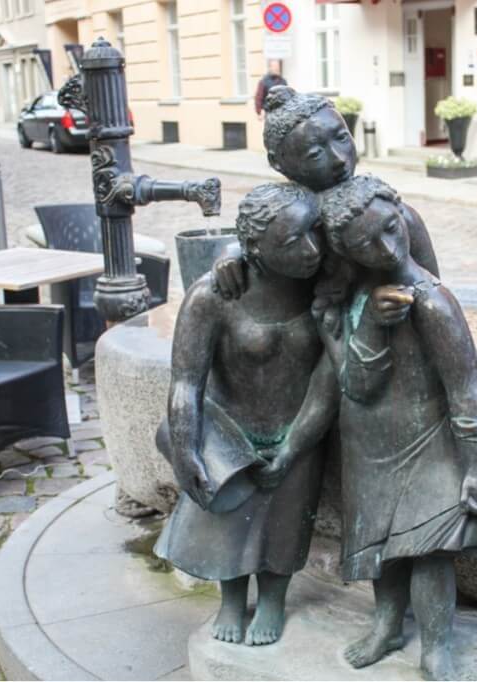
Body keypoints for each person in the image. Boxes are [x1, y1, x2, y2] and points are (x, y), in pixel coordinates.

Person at [277, 175, 477, 679]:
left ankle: (437, 645)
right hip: (369, 445)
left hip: (428, 444)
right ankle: (386, 625)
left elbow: (467, 390)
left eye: (392, 229)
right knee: (381, 549)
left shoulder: (434, 302)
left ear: (402, 215)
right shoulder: (355, 301)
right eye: (367, 244)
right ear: (348, 253)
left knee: (429, 552)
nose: (387, 247)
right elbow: (355, 384)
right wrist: (369, 324)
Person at [213, 85, 477, 381]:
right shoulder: (286, 211)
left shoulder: (386, 215)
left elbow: (431, 289)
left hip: (371, 347)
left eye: (341, 138)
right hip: (306, 348)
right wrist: (231, 252)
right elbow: (257, 235)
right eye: (315, 154)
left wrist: (460, 350)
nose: (338, 158)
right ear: (278, 163)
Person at [154, 183, 329, 647]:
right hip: (231, 431)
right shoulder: (213, 295)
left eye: (315, 232)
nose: (312, 248)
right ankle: (231, 599)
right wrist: (187, 448)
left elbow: (327, 379)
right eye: (294, 241)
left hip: (300, 427)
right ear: (256, 248)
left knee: (287, 526)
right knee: (226, 525)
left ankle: (273, 599)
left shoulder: (324, 288)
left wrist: (295, 444)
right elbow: (186, 381)